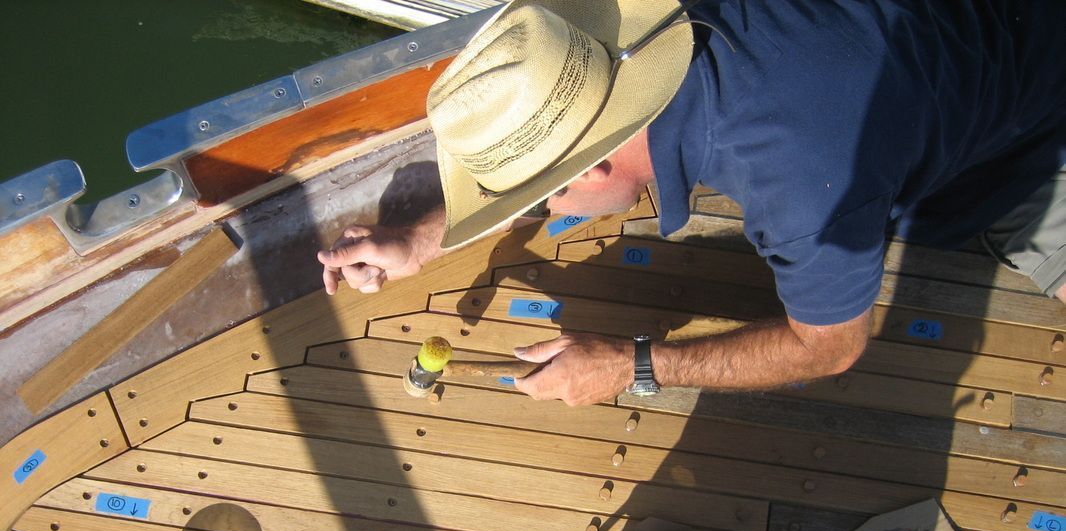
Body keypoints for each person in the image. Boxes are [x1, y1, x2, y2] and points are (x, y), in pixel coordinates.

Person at [318, 0, 1066, 406]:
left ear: (596, 160)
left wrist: (633, 365)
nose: (552, 209)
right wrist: (422, 239)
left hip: (1039, 120)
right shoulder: (657, 28)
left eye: (548, 193)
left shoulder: (801, 186)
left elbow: (830, 347)